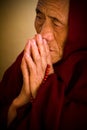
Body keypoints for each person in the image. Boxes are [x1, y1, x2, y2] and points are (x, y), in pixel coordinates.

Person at [0, 0, 87, 129]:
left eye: (56, 22)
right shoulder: (32, 55)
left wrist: (43, 88)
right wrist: (19, 102)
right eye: (39, 17)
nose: (42, 34)